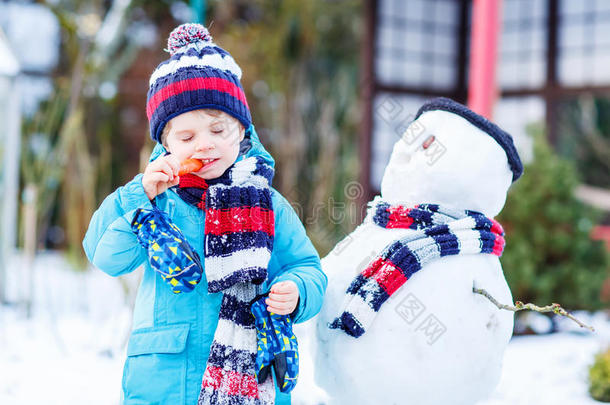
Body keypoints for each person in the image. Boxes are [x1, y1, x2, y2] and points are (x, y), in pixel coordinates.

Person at [82, 23, 327, 405]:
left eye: (218, 130)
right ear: (166, 144)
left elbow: (308, 267)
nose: (206, 144)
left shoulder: (266, 204)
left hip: (249, 374)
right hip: (165, 380)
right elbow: (105, 256)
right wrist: (138, 195)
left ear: (241, 132)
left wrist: (297, 291)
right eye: (187, 137)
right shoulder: (154, 201)